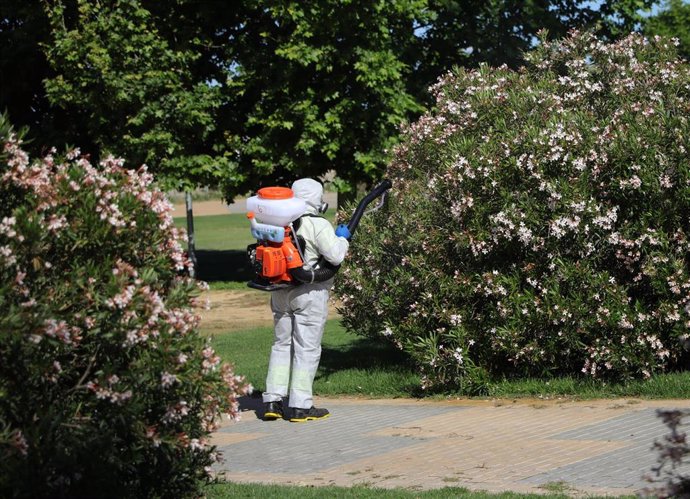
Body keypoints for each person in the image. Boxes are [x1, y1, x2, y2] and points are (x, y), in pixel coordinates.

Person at [262, 178, 351, 422]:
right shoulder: (316, 223)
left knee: (281, 345)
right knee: (307, 348)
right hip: (308, 293)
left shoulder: (280, 221)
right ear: (316, 198)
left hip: (280, 290)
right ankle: (301, 404)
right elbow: (335, 255)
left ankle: (273, 399)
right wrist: (342, 237)